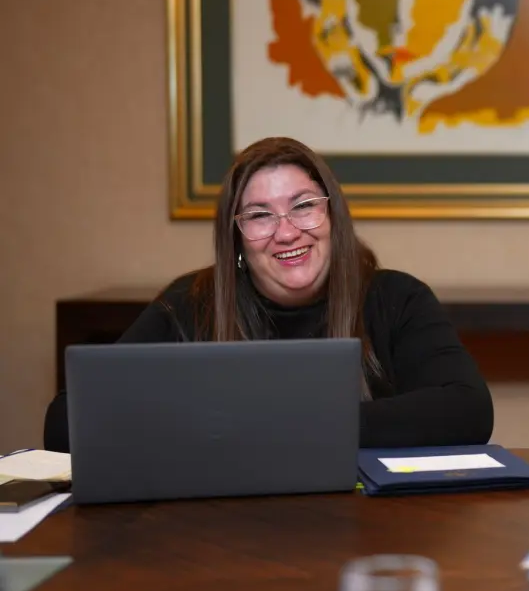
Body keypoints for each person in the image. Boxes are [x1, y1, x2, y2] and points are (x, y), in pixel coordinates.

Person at [44, 137, 493, 451]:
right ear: (236, 237)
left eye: (303, 206)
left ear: (333, 215)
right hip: (222, 529)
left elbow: (467, 410)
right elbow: (65, 423)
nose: (285, 231)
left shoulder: (396, 298)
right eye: (259, 215)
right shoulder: (189, 303)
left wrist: (269, 424)